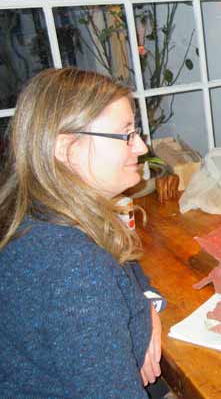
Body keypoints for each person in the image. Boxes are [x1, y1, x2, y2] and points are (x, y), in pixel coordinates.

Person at [0, 68, 163, 398]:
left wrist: (146, 306)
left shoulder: (44, 214)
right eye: (126, 134)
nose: (142, 148)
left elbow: (127, 269)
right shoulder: (74, 269)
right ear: (67, 148)